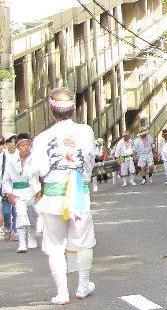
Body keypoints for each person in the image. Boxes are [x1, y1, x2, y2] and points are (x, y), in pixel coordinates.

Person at [25, 88, 96, 304]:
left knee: (55, 245)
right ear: (74, 110)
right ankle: (83, 285)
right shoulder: (85, 131)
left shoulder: (43, 137)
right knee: (83, 241)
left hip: (53, 194)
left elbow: (33, 170)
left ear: (51, 109)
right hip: (78, 193)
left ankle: (62, 292)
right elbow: (90, 160)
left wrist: (37, 192)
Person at [1, 133, 39, 252]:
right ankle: (22, 243)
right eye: (23, 145)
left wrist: (40, 191)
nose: (26, 147)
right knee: (21, 213)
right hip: (18, 192)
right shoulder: (11, 161)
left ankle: (31, 237)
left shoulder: (35, 159)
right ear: (18, 147)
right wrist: (9, 193)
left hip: (33, 191)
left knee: (32, 215)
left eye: (28, 145)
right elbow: (6, 180)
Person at [1, 135, 19, 241]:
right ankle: (8, 228)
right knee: (6, 211)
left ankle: (16, 231)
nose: (13, 144)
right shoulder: (3, 155)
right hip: (5, 186)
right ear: (7, 143)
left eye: (14, 142)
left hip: (17, 186)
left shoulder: (20, 155)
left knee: (16, 211)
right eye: (10, 142)